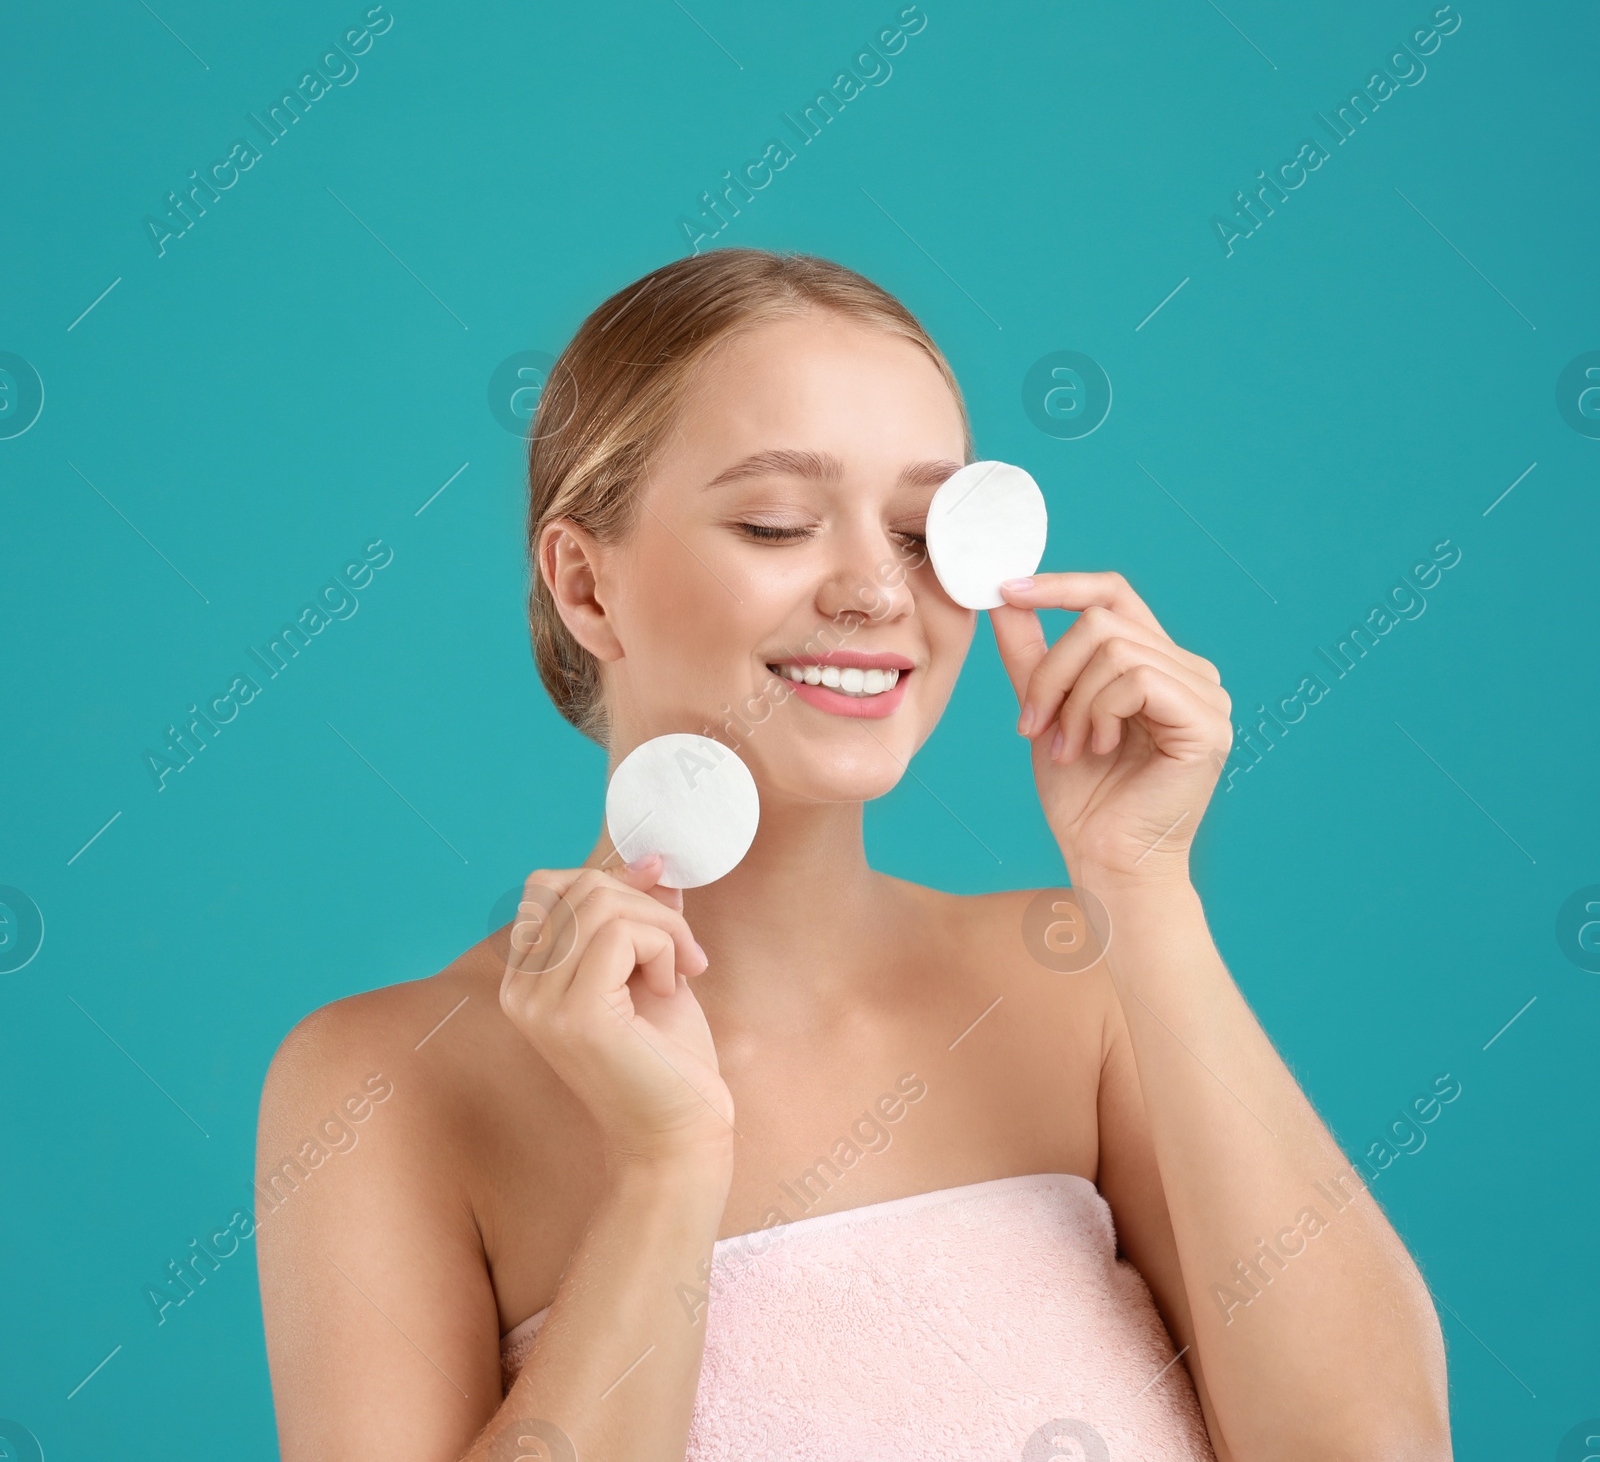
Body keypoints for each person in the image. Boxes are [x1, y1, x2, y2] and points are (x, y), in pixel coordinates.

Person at [256, 249, 1451, 1461]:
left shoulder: (1077, 988)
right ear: (586, 585)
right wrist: (666, 1170)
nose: (879, 592)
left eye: (926, 532)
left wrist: (1144, 890)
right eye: (775, 523)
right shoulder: (383, 1087)